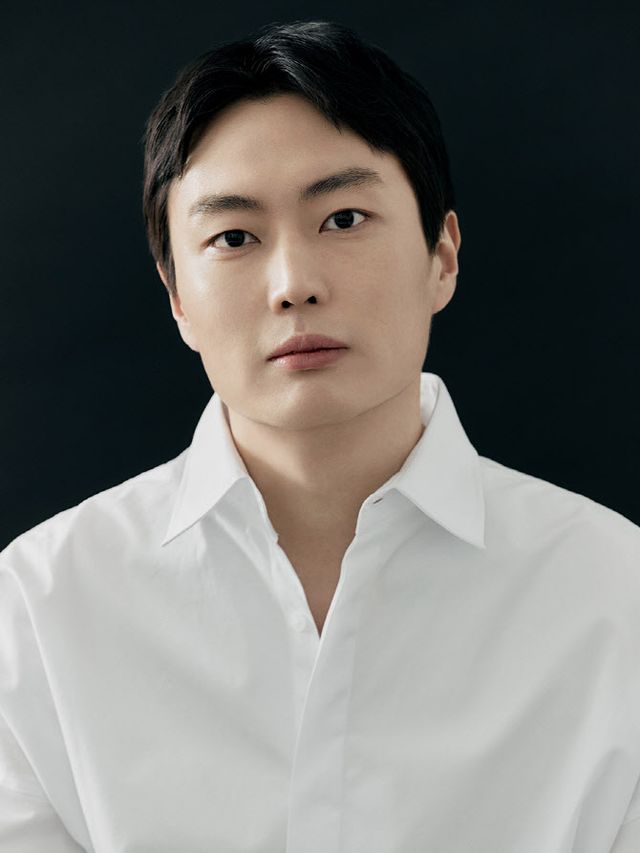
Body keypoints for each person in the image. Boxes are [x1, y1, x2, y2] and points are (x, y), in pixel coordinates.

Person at [0, 18, 638, 853]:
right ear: (177, 296)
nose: (294, 284)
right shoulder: (39, 609)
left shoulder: (614, 595)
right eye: (234, 237)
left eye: (343, 217)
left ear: (442, 255)